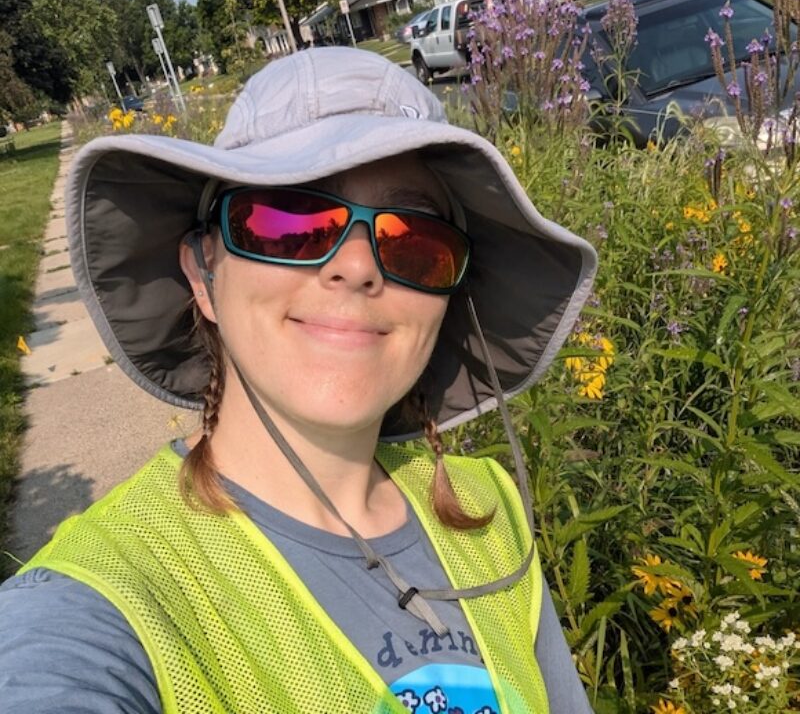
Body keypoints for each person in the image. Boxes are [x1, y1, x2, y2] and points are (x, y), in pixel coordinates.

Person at [0, 47, 597, 713]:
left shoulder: (491, 513)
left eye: (412, 240)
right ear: (203, 273)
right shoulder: (108, 602)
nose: (356, 267)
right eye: (288, 222)